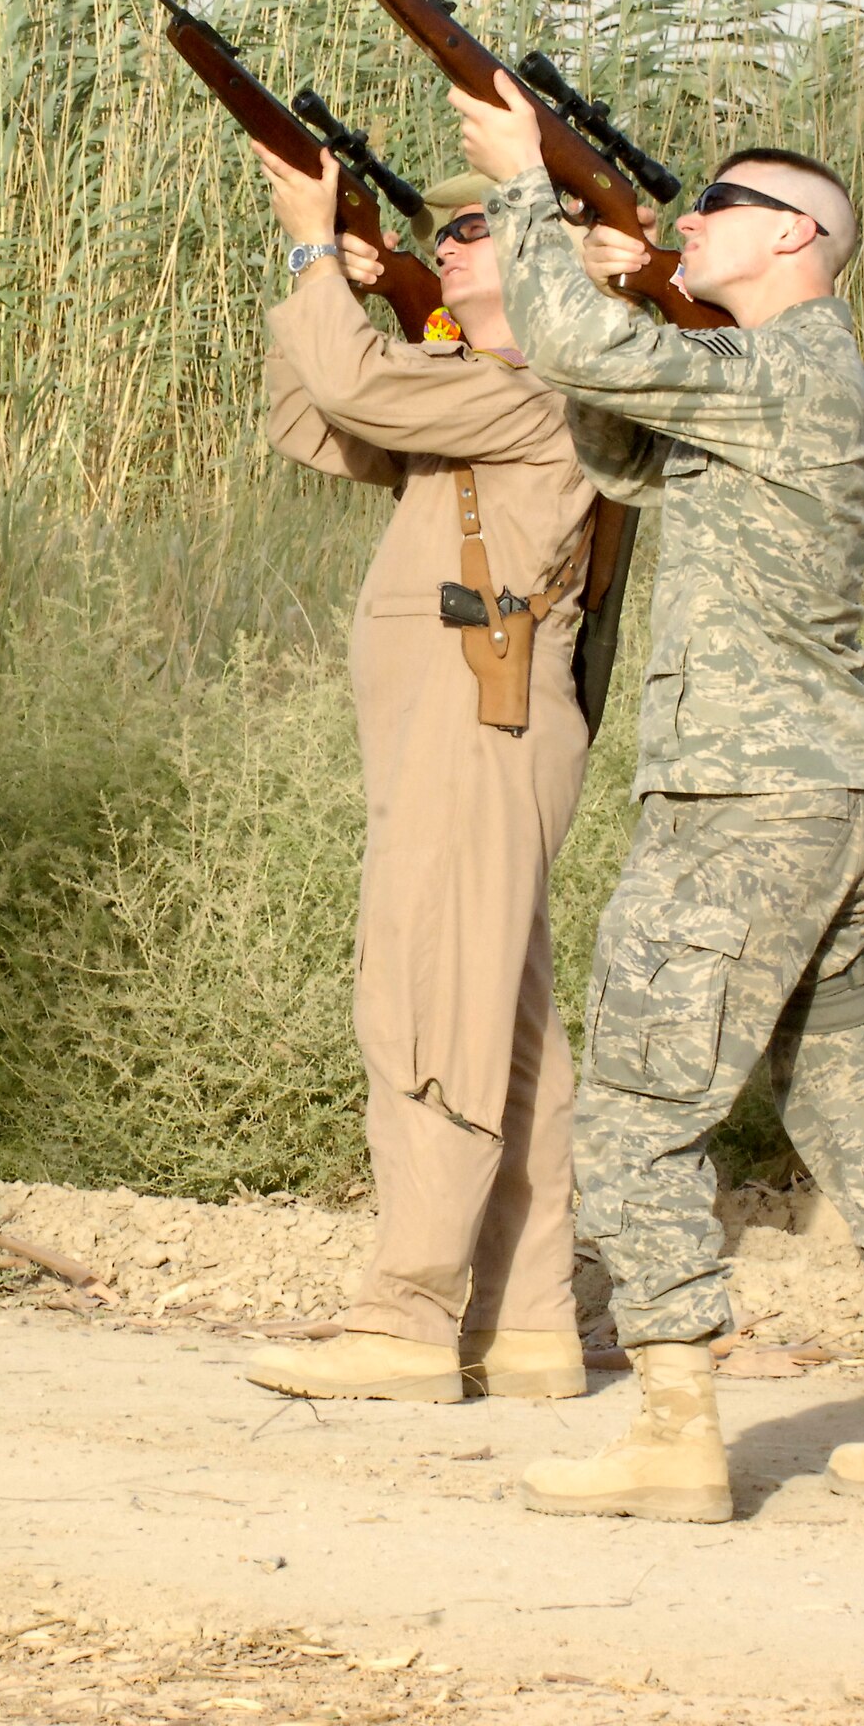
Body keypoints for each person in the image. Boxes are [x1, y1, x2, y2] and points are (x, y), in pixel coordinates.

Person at [446, 72, 864, 1518]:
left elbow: (579, 348)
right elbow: (618, 437)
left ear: (794, 241)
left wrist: (522, 183)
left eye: (719, 205)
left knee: (638, 1105)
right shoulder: (780, 384)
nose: (691, 219)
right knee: (846, 1102)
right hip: (817, 796)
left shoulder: (781, 370)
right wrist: (616, 290)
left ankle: (674, 1434)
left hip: (742, 806)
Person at [241, 139, 597, 1404]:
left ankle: (405, 1314)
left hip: (472, 716)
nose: (444, 246)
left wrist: (306, 250)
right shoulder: (472, 380)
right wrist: (334, 287)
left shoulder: (540, 384)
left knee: (425, 997)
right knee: (503, 1021)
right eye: (437, 236)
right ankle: (528, 1317)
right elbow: (315, 417)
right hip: (455, 721)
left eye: (471, 232)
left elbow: (357, 389)